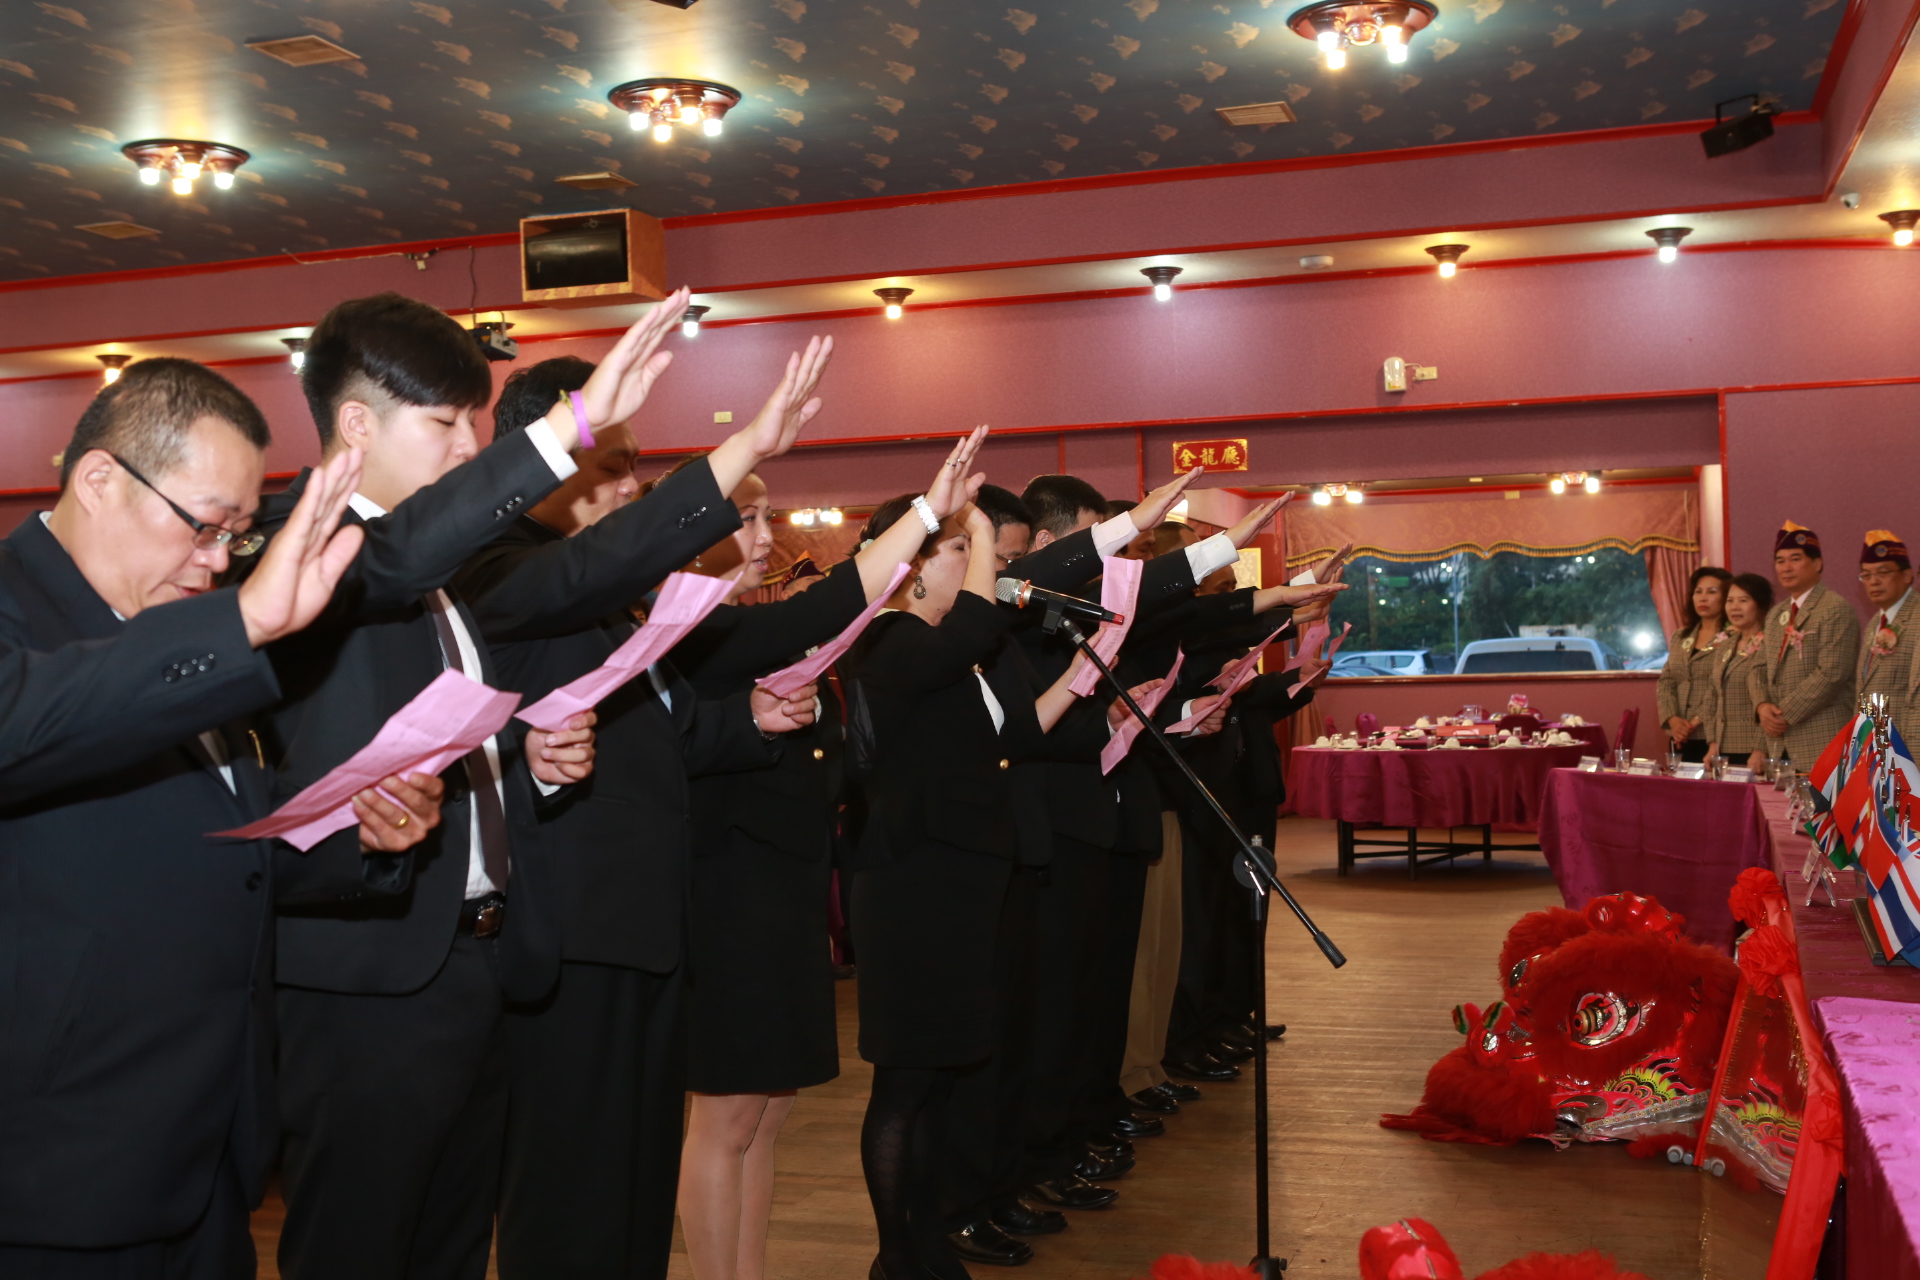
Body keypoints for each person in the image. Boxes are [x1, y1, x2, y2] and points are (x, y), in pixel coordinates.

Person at [245, 291, 707, 1280]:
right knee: (359, 1247)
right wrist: (570, 429)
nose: (468, 447)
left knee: (453, 1244)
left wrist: (525, 763)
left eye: (475, 422)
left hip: (473, 961)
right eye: (445, 422)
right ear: (357, 424)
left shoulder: (440, 577)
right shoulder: (302, 548)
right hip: (367, 976)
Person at [0, 358, 442, 1276]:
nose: (213, 561)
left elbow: (222, 834)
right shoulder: (22, 609)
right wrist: (239, 624)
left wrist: (355, 830)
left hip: (205, 1149)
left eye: (235, 539)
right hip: (57, 1163)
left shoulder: (169, 621)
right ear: (99, 480)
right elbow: (29, 725)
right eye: (203, 526)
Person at [445, 332, 840, 1280]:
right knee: (569, 1192)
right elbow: (589, 575)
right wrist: (743, 449)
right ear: (545, 460)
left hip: (646, 930)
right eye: (613, 465)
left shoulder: (603, 596)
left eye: (634, 466)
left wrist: (750, 719)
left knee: (634, 1183)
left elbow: (668, 733)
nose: (630, 486)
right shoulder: (501, 565)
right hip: (566, 934)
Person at [661, 427, 990, 1280]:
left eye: (767, 517)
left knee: (769, 1113)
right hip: (726, 891)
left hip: (783, 889)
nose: (764, 535)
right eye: (746, 518)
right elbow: (826, 608)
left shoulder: (745, 627)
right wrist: (927, 516)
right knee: (726, 1118)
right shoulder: (687, 628)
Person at [839, 495, 1106, 1280]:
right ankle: (896, 1257)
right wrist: (982, 531)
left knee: (942, 1081)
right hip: (912, 891)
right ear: (913, 568)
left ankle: (925, 1242)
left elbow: (1010, 736)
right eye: (962, 549)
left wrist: (1086, 679)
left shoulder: (956, 655)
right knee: (905, 1082)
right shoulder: (886, 637)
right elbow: (973, 629)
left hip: (962, 888)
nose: (980, 564)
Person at [1752, 521, 1860, 768]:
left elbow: (1831, 674)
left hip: (1821, 738)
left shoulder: (1835, 608)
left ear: (1817, 563)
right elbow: (1758, 668)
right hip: (1778, 745)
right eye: (1780, 561)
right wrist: (1762, 705)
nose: (1786, 567)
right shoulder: (1776, 614)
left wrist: (1783, 715)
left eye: (1795, 559)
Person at [1656, 566, 1734, 763]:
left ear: (1726, 597)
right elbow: (1666, 681)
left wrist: (1693, 722)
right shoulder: (1681, 635)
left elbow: (1724, 687)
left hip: (1716, 734)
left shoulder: (1734, 636)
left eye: (1711, 592)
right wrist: (1673, 719)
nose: (1703, 598)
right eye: (1698, 592)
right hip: (1680, 735)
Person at [1855, 530, 1920, 746]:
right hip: (1876, 746)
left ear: (1907, 575)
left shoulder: (1916, 617)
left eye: (1883, 573)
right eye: (1866, 575)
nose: (1873, 581)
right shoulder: (1875, 621)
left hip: (1905, 747)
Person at [1706, 573, 1775, 774]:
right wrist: (1712, 743)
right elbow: (1712, 696)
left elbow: (1772, 699)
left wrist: (1760, 748)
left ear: (1761, 605)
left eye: (1743, 600)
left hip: (1754, 749)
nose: (1735, 607)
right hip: (1723, 747)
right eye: (1730, 601)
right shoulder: (1725, 646)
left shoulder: (1770, 644)